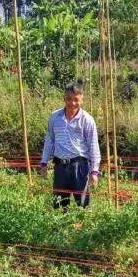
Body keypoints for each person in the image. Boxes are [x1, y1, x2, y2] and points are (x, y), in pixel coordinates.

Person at [39, 81, 101, 209]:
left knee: (83, 205)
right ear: (64, 98)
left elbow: (93, 145)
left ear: (82, 99)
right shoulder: (55, 118)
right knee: (59, 205)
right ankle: (60, 228)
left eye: (76, 99)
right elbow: (50, 140)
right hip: (60, 166)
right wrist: (44, 163)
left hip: (79, 167)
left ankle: (83, 228)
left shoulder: (87, 120)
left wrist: (94, 171)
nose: (72, 103)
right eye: (68, 99)